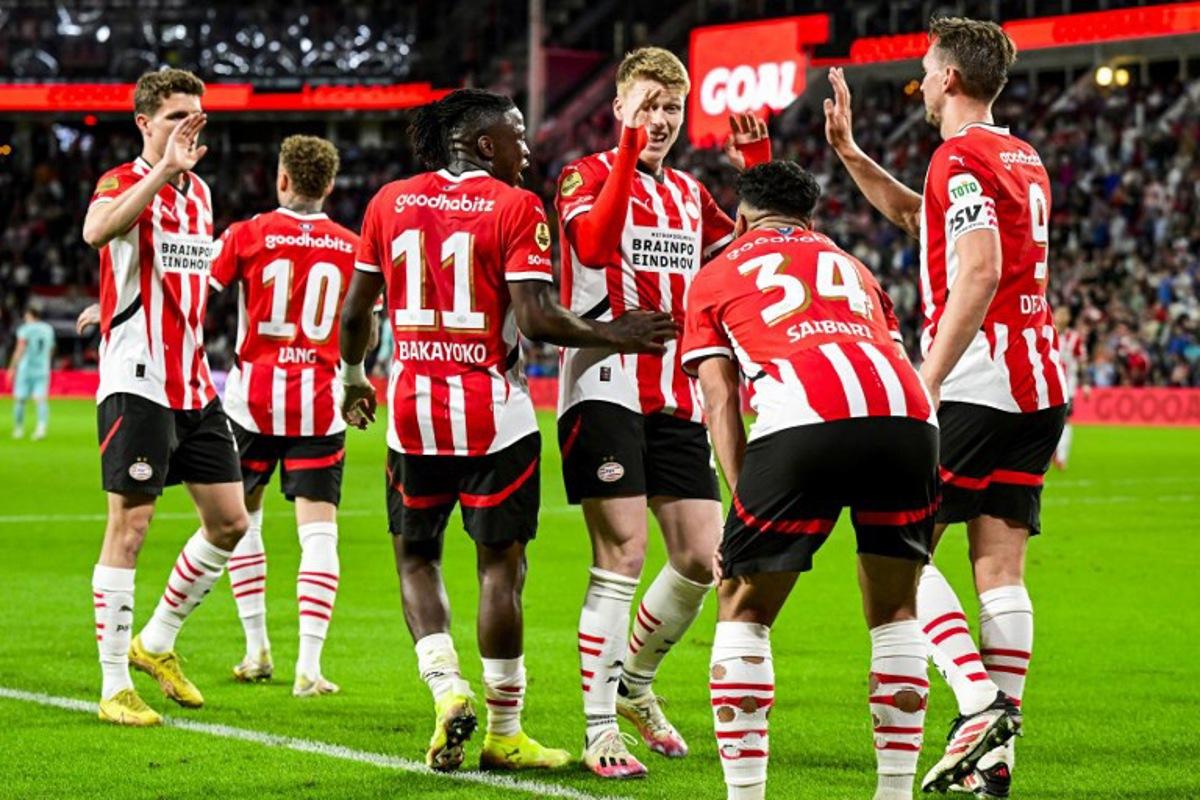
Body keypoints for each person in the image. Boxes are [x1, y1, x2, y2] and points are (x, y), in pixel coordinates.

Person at [337, 88, 675, 773]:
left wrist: (352, 376)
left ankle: (445, 687)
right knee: (501, 570)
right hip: (494, 418)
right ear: (484, 144)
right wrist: (617, 333)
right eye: (517, 137)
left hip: (412, 417)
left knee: (416, 558)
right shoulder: (515, 206)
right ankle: (505, 730)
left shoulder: (388, 202)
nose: (527, 149)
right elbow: (539, 316)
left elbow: (355, 313)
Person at [825, 17, 1067, 795]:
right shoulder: (1021, 155)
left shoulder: (957, 156)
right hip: (1039, 385)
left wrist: (926, 380)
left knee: (896, 542)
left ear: (951, 79)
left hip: (977, 382)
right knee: (998, 564)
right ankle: (996, 758)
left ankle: (975, 704)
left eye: (928, 71)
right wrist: (850, 153)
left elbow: (980, 269)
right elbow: (916, 218)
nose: (923, 83)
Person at [684, 161, 938, 800]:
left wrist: (740, 513)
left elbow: (721, 401)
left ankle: (746, 796)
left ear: (740, 219)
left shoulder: (716, 273)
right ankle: (895, 793)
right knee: (895, 609)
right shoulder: (855, 266)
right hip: (908, 418)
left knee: (743, 604)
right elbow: (887, 350)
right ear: (810, 218)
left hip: (806, 415)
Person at [554, 46, 770, 777]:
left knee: (701, 559)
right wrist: (626, 148)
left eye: (672, 107)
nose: (661, 118)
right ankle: (598, 729)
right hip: (604, 383)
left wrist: (756, 170)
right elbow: (592, 244)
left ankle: (634, 684)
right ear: (618, 107)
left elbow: (745, 255)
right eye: (647, 104)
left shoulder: (687, 193)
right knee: (622, 555)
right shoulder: (584, 174)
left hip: (676, 392)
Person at [81, 68, 248, 726]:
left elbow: (176, 276)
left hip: (194, 381)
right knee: (131, 527)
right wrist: (161, 171)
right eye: (177, 116)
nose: (190, 127)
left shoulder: (200, 193)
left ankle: (156, 641)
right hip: (138, 378)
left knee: (230, 521)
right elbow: (97, 231)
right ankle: (114, 686)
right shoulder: (123, 179)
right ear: (145, 123)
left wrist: (106, 303)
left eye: (196, 115)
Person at [207, 135, 358, 696]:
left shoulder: (247, 234)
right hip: (320, 406)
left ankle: (256, 649)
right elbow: (362, 323)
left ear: (282, 179)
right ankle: (310, 667)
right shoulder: (351, 247)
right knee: (319, 533)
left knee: (243, 521)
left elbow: (197, 290)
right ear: (329, 185)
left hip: (252, 404)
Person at [8, 305, 55, 440]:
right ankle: (41, 428)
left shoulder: (25, 329)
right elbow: (51, 349)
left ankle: (18, 429)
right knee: (40, 399)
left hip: (26, 369)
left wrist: (12, 368)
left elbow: (20, 348)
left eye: (26, 316)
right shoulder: (48, 329)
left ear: (31, 315)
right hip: (42, 369)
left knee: (20, 399)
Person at [1053, 307, 1087, 470]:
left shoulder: (1074, 338)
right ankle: (1052, 453)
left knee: (1065, 419)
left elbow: (1082, 362)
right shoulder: (1047, 332)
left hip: (1067, 386)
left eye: (1064, 315)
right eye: (1059, 314)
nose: (1061, 317)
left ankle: (1061, 456)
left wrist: (1085, 383)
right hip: (1048, 384)